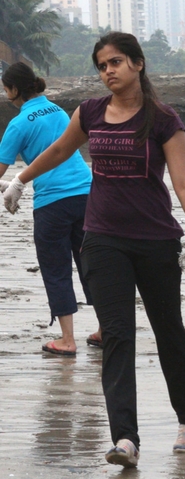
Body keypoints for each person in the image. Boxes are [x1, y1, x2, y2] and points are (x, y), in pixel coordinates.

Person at [1, 32, 185, 469]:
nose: (108, 72)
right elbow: (61, 149)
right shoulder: (91, 111)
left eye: (116, 62)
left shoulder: (163, 120)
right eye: (102, 65)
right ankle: (125, 438)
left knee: (168, 330)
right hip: (101, 239)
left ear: (138, 64)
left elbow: (183, 183)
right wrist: (20, 181)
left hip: (156, 240)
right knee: (117, 334)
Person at [0, 62, 100, 356]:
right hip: (87, 195)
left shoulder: (18, 124)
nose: (6, 95)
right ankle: (106, 330)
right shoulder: (57, 110)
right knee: (92, 265)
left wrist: (10, 185)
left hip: (52, 204)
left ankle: (67, 340)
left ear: (15, 90)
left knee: (56, 270)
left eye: (6, 89)